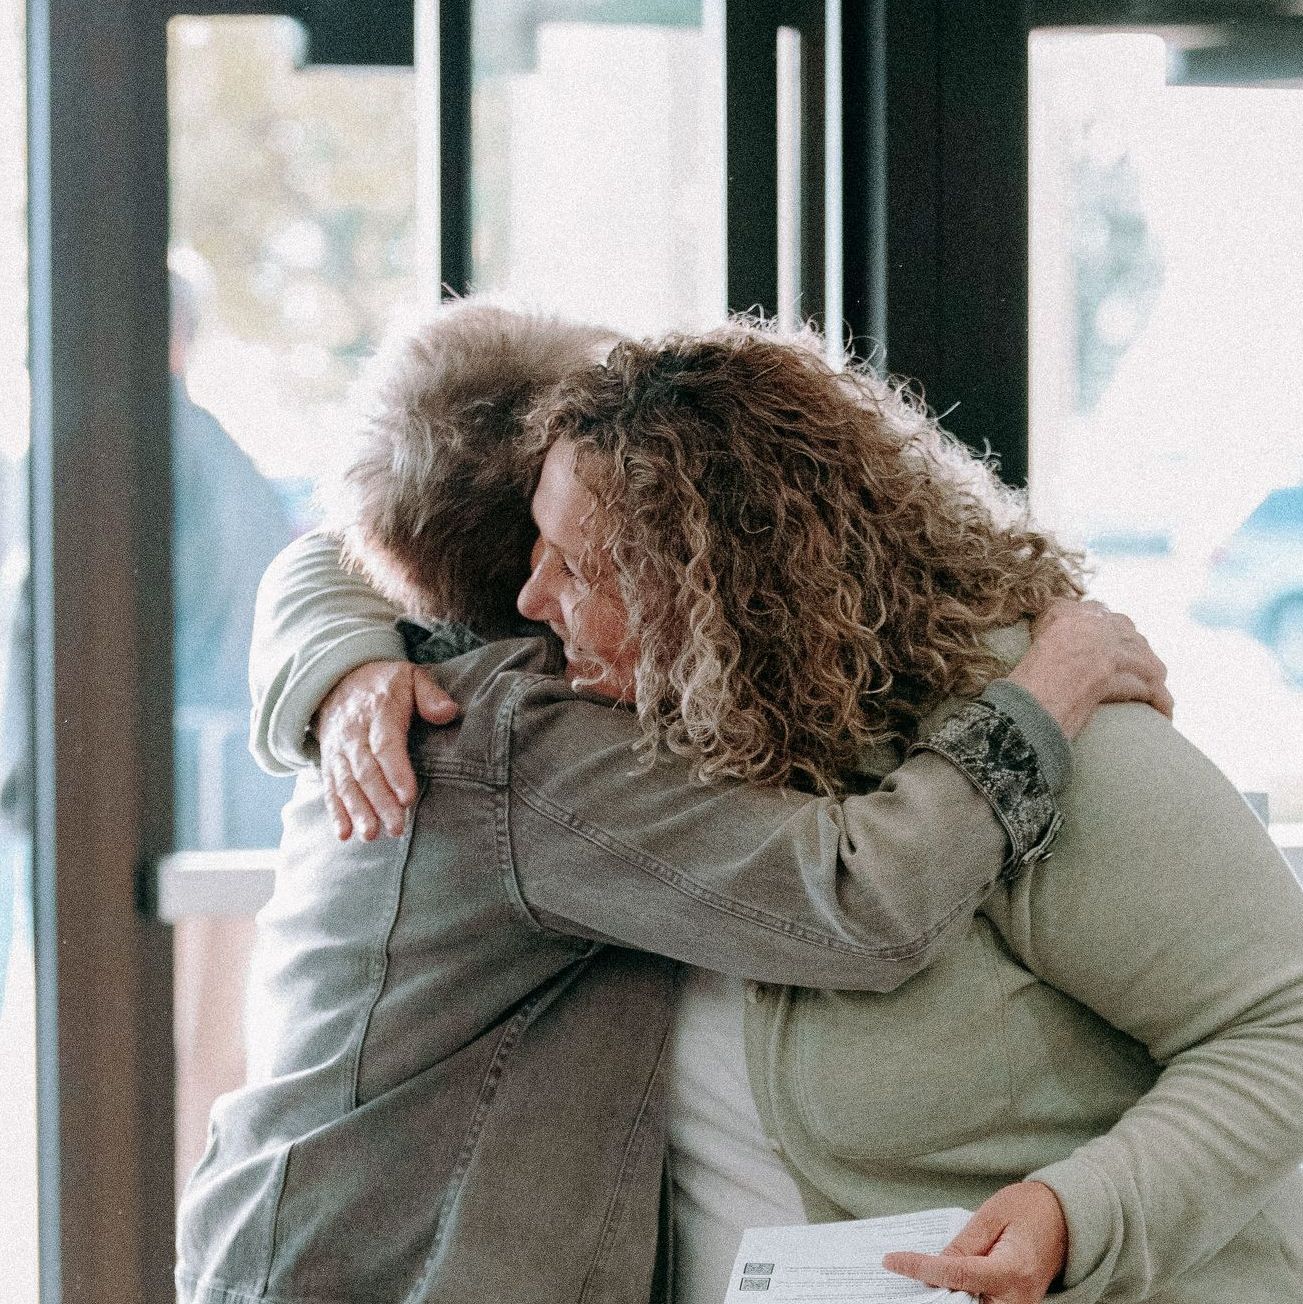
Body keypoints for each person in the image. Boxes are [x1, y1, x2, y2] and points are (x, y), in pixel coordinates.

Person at [256, 314, 1303, 1304]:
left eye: (579, 567)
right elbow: (376, 527)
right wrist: (338, 654)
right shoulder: (655, 744)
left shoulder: (1060, 731)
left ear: (716, 587)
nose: (528, 601)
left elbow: (1281, 1022)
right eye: (532, 545)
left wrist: (1076, 1213)